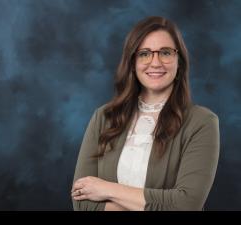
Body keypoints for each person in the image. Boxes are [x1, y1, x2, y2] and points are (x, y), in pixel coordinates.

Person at [71, 16, 220, 211]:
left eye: (165, 53)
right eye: (144, 54)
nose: (155, 62)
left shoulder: (202, 122)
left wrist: (106, 189)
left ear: (179, 61)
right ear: (132, 62)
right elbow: (81, 202)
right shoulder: (104, 117)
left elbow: (186, 204)